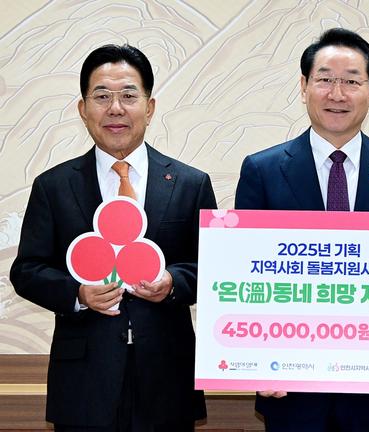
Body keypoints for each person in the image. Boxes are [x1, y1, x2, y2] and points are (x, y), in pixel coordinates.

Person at [10, 44, 216, 431]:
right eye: (102, 96)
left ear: (149, 108)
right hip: (84, 380)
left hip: (166, 376)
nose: (115, 109)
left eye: (128, 96)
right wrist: (77, 293)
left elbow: (212, 268)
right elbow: (27, 270)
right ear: (83, 109)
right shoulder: (54, 186)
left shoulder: (191, 184)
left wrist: (173, 283)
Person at [235, 28, 369, 432]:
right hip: (290, 386)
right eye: (324, 79)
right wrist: (254, 358)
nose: (337, 94)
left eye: (352, 82)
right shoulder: (262, 170)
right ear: (304, 86)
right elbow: (245, 275)